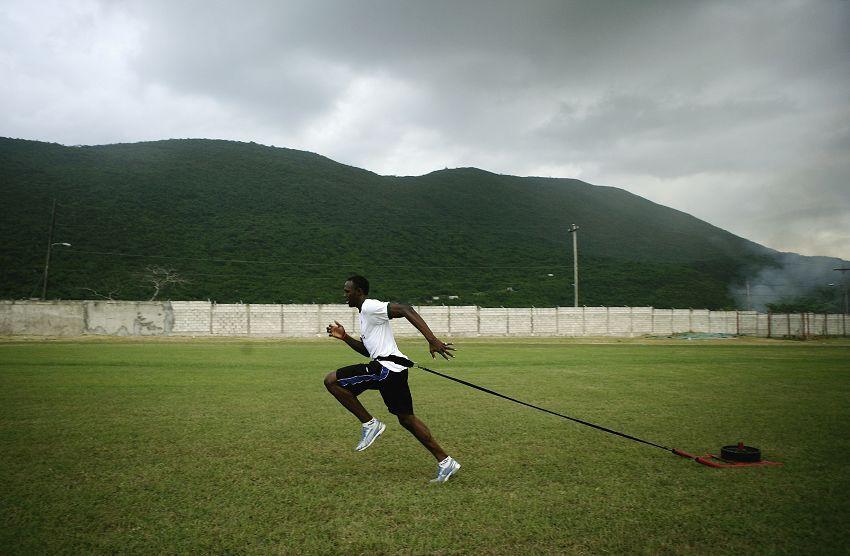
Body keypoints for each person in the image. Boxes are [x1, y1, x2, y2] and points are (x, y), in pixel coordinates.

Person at [324, 275, 461, 483]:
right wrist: (344, 337)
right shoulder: (364, 314)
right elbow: (367, 351)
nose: (345, 295)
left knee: (331, 381)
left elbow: (406, 309)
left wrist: (433, 340)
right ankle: (445, 461)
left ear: (359, 292)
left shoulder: (370, 306)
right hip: (392, 370)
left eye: (347, 291)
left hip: (385, 369)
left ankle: (370, 424)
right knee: (407, 420)